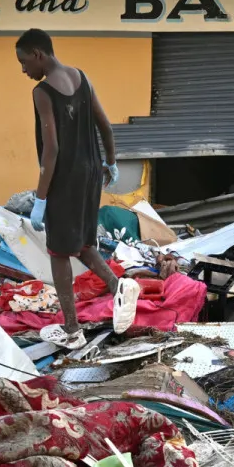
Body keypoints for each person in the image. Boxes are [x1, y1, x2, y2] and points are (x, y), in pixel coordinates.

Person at [18, 28, 139, 349]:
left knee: (58, 253)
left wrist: (41, 197)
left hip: (65, 179)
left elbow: (52, 149)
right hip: (91, 175)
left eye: (24, 61)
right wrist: (111, 162)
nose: (23, 69)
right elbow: (105, 124)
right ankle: (118, 287)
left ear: (38, 54)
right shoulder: (81, 77)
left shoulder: (42, 92)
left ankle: (72, 330)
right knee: (83, 243)